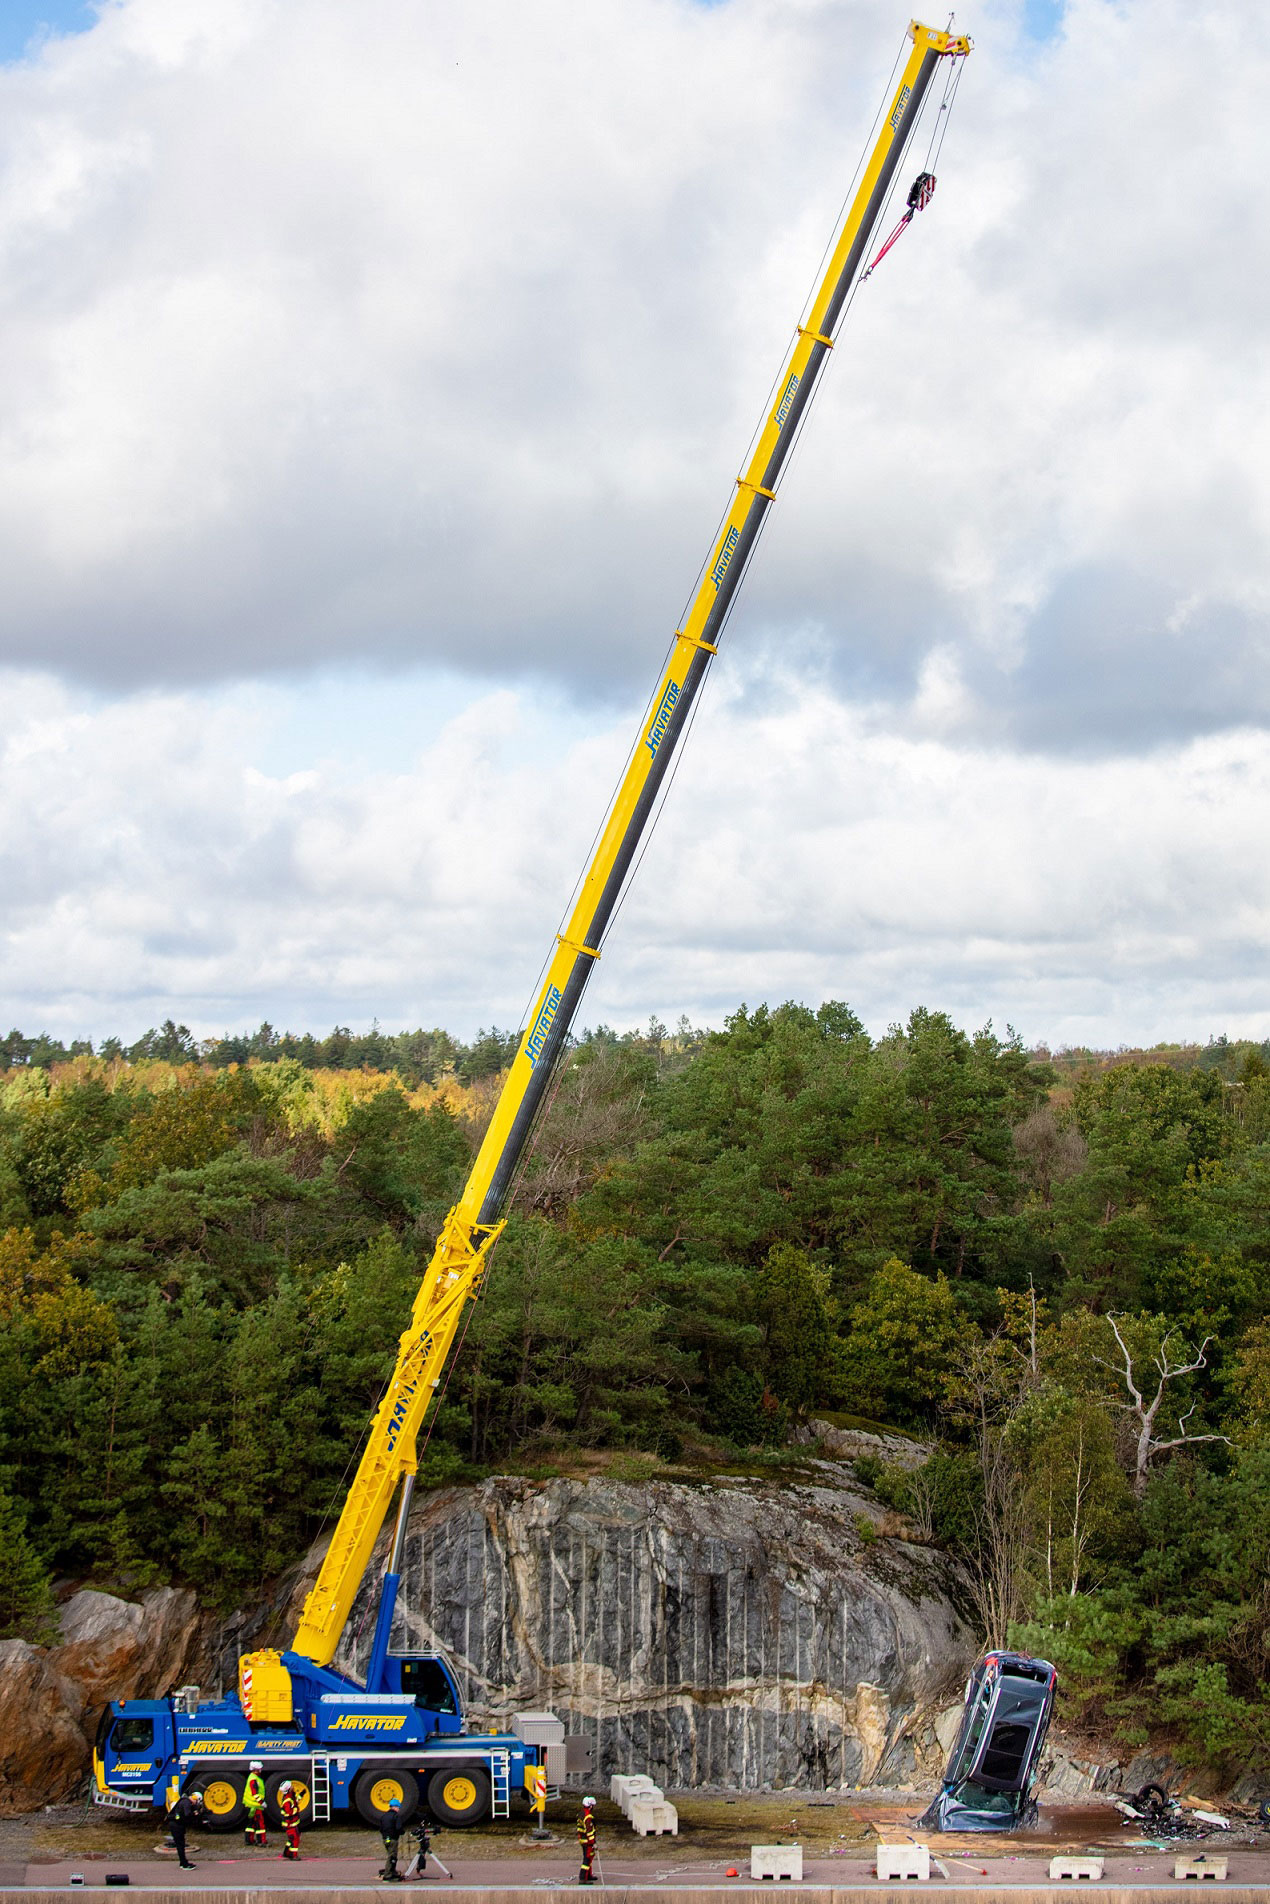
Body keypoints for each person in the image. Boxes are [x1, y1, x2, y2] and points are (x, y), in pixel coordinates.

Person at [164, 1787, 204, 1871]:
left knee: (181, 1845)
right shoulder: (186, 1803)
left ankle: (183, 1862)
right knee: (180, 1845)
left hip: (177, 1825)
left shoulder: (184, 1801)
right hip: (176, 1825)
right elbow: (187, 1815)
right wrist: (195, 1814)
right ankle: (183, 1863)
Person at [380, 1797, 405, 1882]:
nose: (399, 1809)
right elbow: (399, 1828)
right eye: (398, 1807)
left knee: (391, 1854)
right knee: (392, 1856)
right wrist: (402, 1832)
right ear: (395, 1807)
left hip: (385, 1839)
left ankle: (392, 1871)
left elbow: (381, 1828)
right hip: (393, 1839)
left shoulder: (384, 1816)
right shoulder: (396, 1816)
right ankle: (388, 1875)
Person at [244, 1760, 268, 1847]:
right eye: (259, 1769)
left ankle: (249, 1840)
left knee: (251, 1824)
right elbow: (255, 1793)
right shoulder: (254, 1780)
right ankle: (261, 1841)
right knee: (259, 1823)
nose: (261, 1770)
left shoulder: (252, 1777)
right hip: (255, 1805)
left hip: (249, 1804)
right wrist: (262, 1803)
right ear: (256, 1770)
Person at [279, 1780, 302, 1862]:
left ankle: (287, 1852)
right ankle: (293, 1855)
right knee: (295, 1838)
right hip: (290, 1824)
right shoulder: (287, 1800)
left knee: (291, 1839)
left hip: (291, 1823)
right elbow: (289, 1812)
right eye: (291, 1786)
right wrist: (296, 1809)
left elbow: (295, 1801)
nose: (293, 1787)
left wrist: (301, 1795)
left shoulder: (290, 1796)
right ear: (288, 1789)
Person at [577, 1795, 597, 1886]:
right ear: (590, 1805)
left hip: (582, 1840)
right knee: (587, 1859)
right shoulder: (588, 1817)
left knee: (589, 1857)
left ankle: (588, 1875)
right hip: (587, 1841)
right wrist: (593, 1843)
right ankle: (583, 1878)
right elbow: (589, 1831)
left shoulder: (581, 1813)